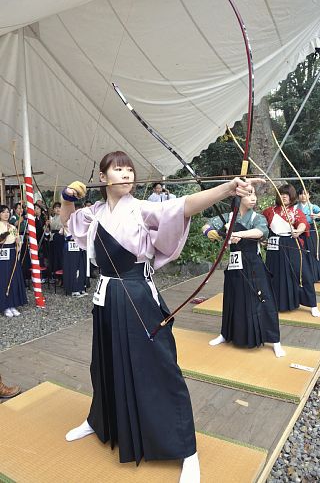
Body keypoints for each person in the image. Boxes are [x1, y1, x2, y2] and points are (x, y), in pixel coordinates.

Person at [60, 151, 261, 482]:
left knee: (160, 367)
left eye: (129, 170)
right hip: (106, 295)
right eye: (118, 170)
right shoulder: (92, 213)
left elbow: (182, 206)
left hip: (138, 294)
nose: (126, 175)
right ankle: (99, 421)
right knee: (104, 362)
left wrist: (227, 188)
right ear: (102, 177)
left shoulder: (143, 209)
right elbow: (69, 220)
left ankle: (186, 449)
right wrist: (68, 198)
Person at [202, 188, 285, 357]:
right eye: (249, 195)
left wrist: (237, 233)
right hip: (235, 264)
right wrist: (211, 233)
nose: (254, 198)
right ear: (238, 198)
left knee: (264, 299)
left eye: (254, 194)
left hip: (253, 264)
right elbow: (208, 225)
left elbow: (261, 232)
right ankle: (225, 334)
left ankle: (275, 340)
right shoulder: (228, 217)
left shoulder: (257, 217)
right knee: (233, 298)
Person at [263, 185, 320, 317]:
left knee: (302, 272)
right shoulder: (269, 211)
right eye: (281, 193)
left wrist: (298, 230)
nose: (284, 196)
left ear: (292, 196)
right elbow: (262, 226)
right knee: (274, 273)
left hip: (291, 243)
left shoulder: (295, 210)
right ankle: (275, 303)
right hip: (274, 245)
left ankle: (313, 304)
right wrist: (263, 237)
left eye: (287, 194)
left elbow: (303, 223)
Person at [297, 189, 320, 285]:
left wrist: (315, 215)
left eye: (305, 194)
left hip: (311, 230)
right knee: (303, 253)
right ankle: (308, 277)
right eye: (301, 194)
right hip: (299, 231)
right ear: (298, 196)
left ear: (309, 195)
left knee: (316, 252)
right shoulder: (295, 207)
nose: (303, 196)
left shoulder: (312, 207)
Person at [0, 205, 28, 317]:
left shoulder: (13, 227)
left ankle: (12, 304)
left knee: (13, 278)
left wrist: (18, 242)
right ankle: (4, 306)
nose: (6, 214)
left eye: (7, 212)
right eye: (3, 212)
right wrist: (7, 232)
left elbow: (18, 243)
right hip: (2, 254)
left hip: (12, 254)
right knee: (4, 279)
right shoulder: (6, 227)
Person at [49, 202, 65, 279]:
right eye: (56, 208)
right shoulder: (53, 218)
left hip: (60, 237)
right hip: (54, 238)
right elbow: (51, 229)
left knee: (60, 256)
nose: (57, 209)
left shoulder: (64, 217)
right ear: (53, 210)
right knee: (55, 256)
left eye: (59, 207)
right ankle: (56, 275)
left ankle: (62, 277)